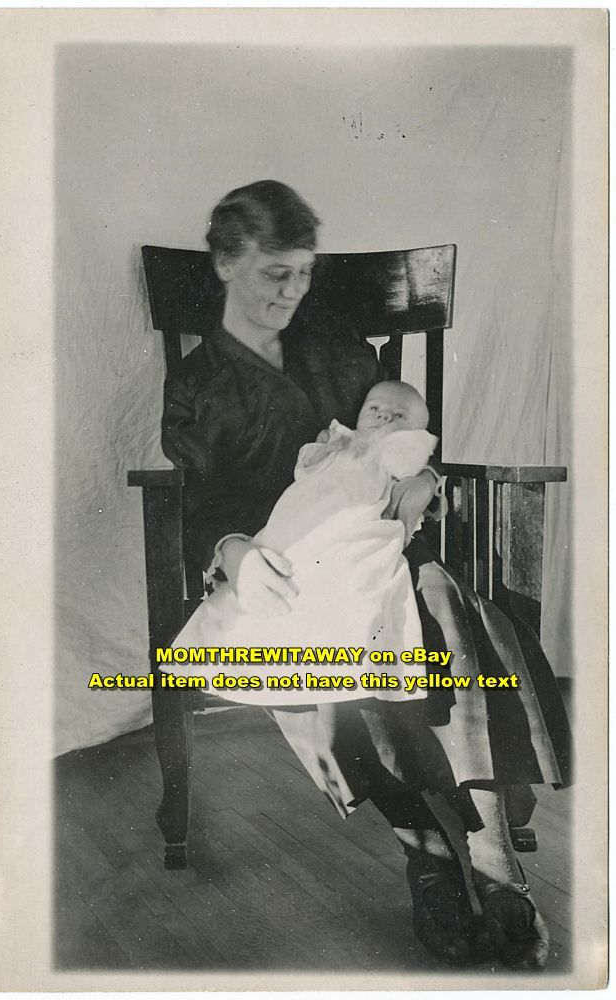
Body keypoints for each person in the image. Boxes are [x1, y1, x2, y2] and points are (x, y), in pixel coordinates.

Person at [161, 179, 571, 970]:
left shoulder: (339, 349)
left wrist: (426, 485)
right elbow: (205, 502)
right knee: (310, 660)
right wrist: (237, 554)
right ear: (222, 264)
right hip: (278, 561)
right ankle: (422, 848)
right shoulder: (199, 383)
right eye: (272, 272)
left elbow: (400, 432)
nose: (292, 290)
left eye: (304, 272)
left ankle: (488, 857)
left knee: (438, 608)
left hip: (382, 545)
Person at [165, 381, 438, 702]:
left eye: (399, 416)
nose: (384, 419)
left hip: (356, 525)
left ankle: (346, 667)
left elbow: (418, 469)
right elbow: (304, 468)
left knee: (357, 581)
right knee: (277, 570)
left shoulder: (396, 450)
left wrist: (427, 477)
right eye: (374, 409)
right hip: (299, 519)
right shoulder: (342, 439)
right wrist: (324, 446)